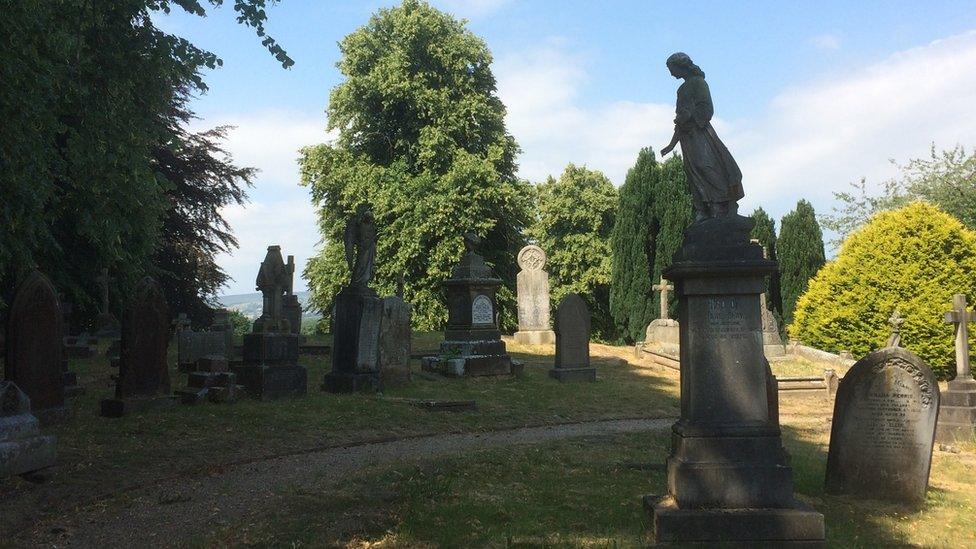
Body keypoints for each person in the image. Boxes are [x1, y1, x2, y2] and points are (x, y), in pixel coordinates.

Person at [661, 52, 744, 221]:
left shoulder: (699, 83)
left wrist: (690, 116)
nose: (670, 73)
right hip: (687, 138)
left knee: (707, 166)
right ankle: (703, 209)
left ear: (680, 66)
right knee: (693, 172)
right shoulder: (681, 89)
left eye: (671, 69)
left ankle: (723, 204)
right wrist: (671, 145)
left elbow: (707, 108)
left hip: (701, 134)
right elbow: (679, 119)